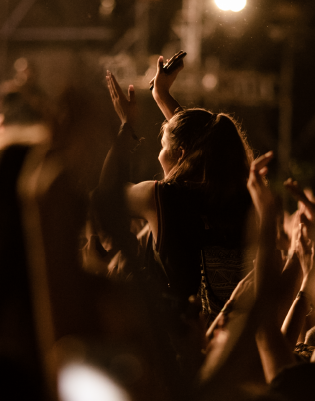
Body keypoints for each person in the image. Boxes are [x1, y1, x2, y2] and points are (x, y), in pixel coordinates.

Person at [98, 55, 255, 316]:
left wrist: (127, 126)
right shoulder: (242, 196)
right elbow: (205, 142)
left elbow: (108, 194)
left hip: (183, 342)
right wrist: (161, 95)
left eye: (162, 148)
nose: (159, 155)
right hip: (234, 341)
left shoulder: (162, 198)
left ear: (181, 155)